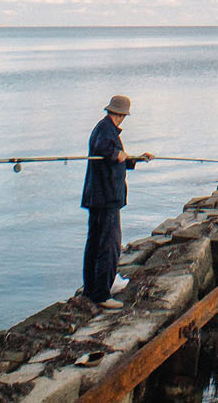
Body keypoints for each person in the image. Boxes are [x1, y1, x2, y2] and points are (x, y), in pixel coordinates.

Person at [81, 93, 153, 307]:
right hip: (107, 199)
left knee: (94, 244)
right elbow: (105, 150)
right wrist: (117, 153)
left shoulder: (103, 128)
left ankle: (91, 289)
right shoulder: (106, 130)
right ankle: (102, 295)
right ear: (122, 114)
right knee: (109, 246)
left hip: (97, 197)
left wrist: (135, 158)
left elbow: (113, 157)